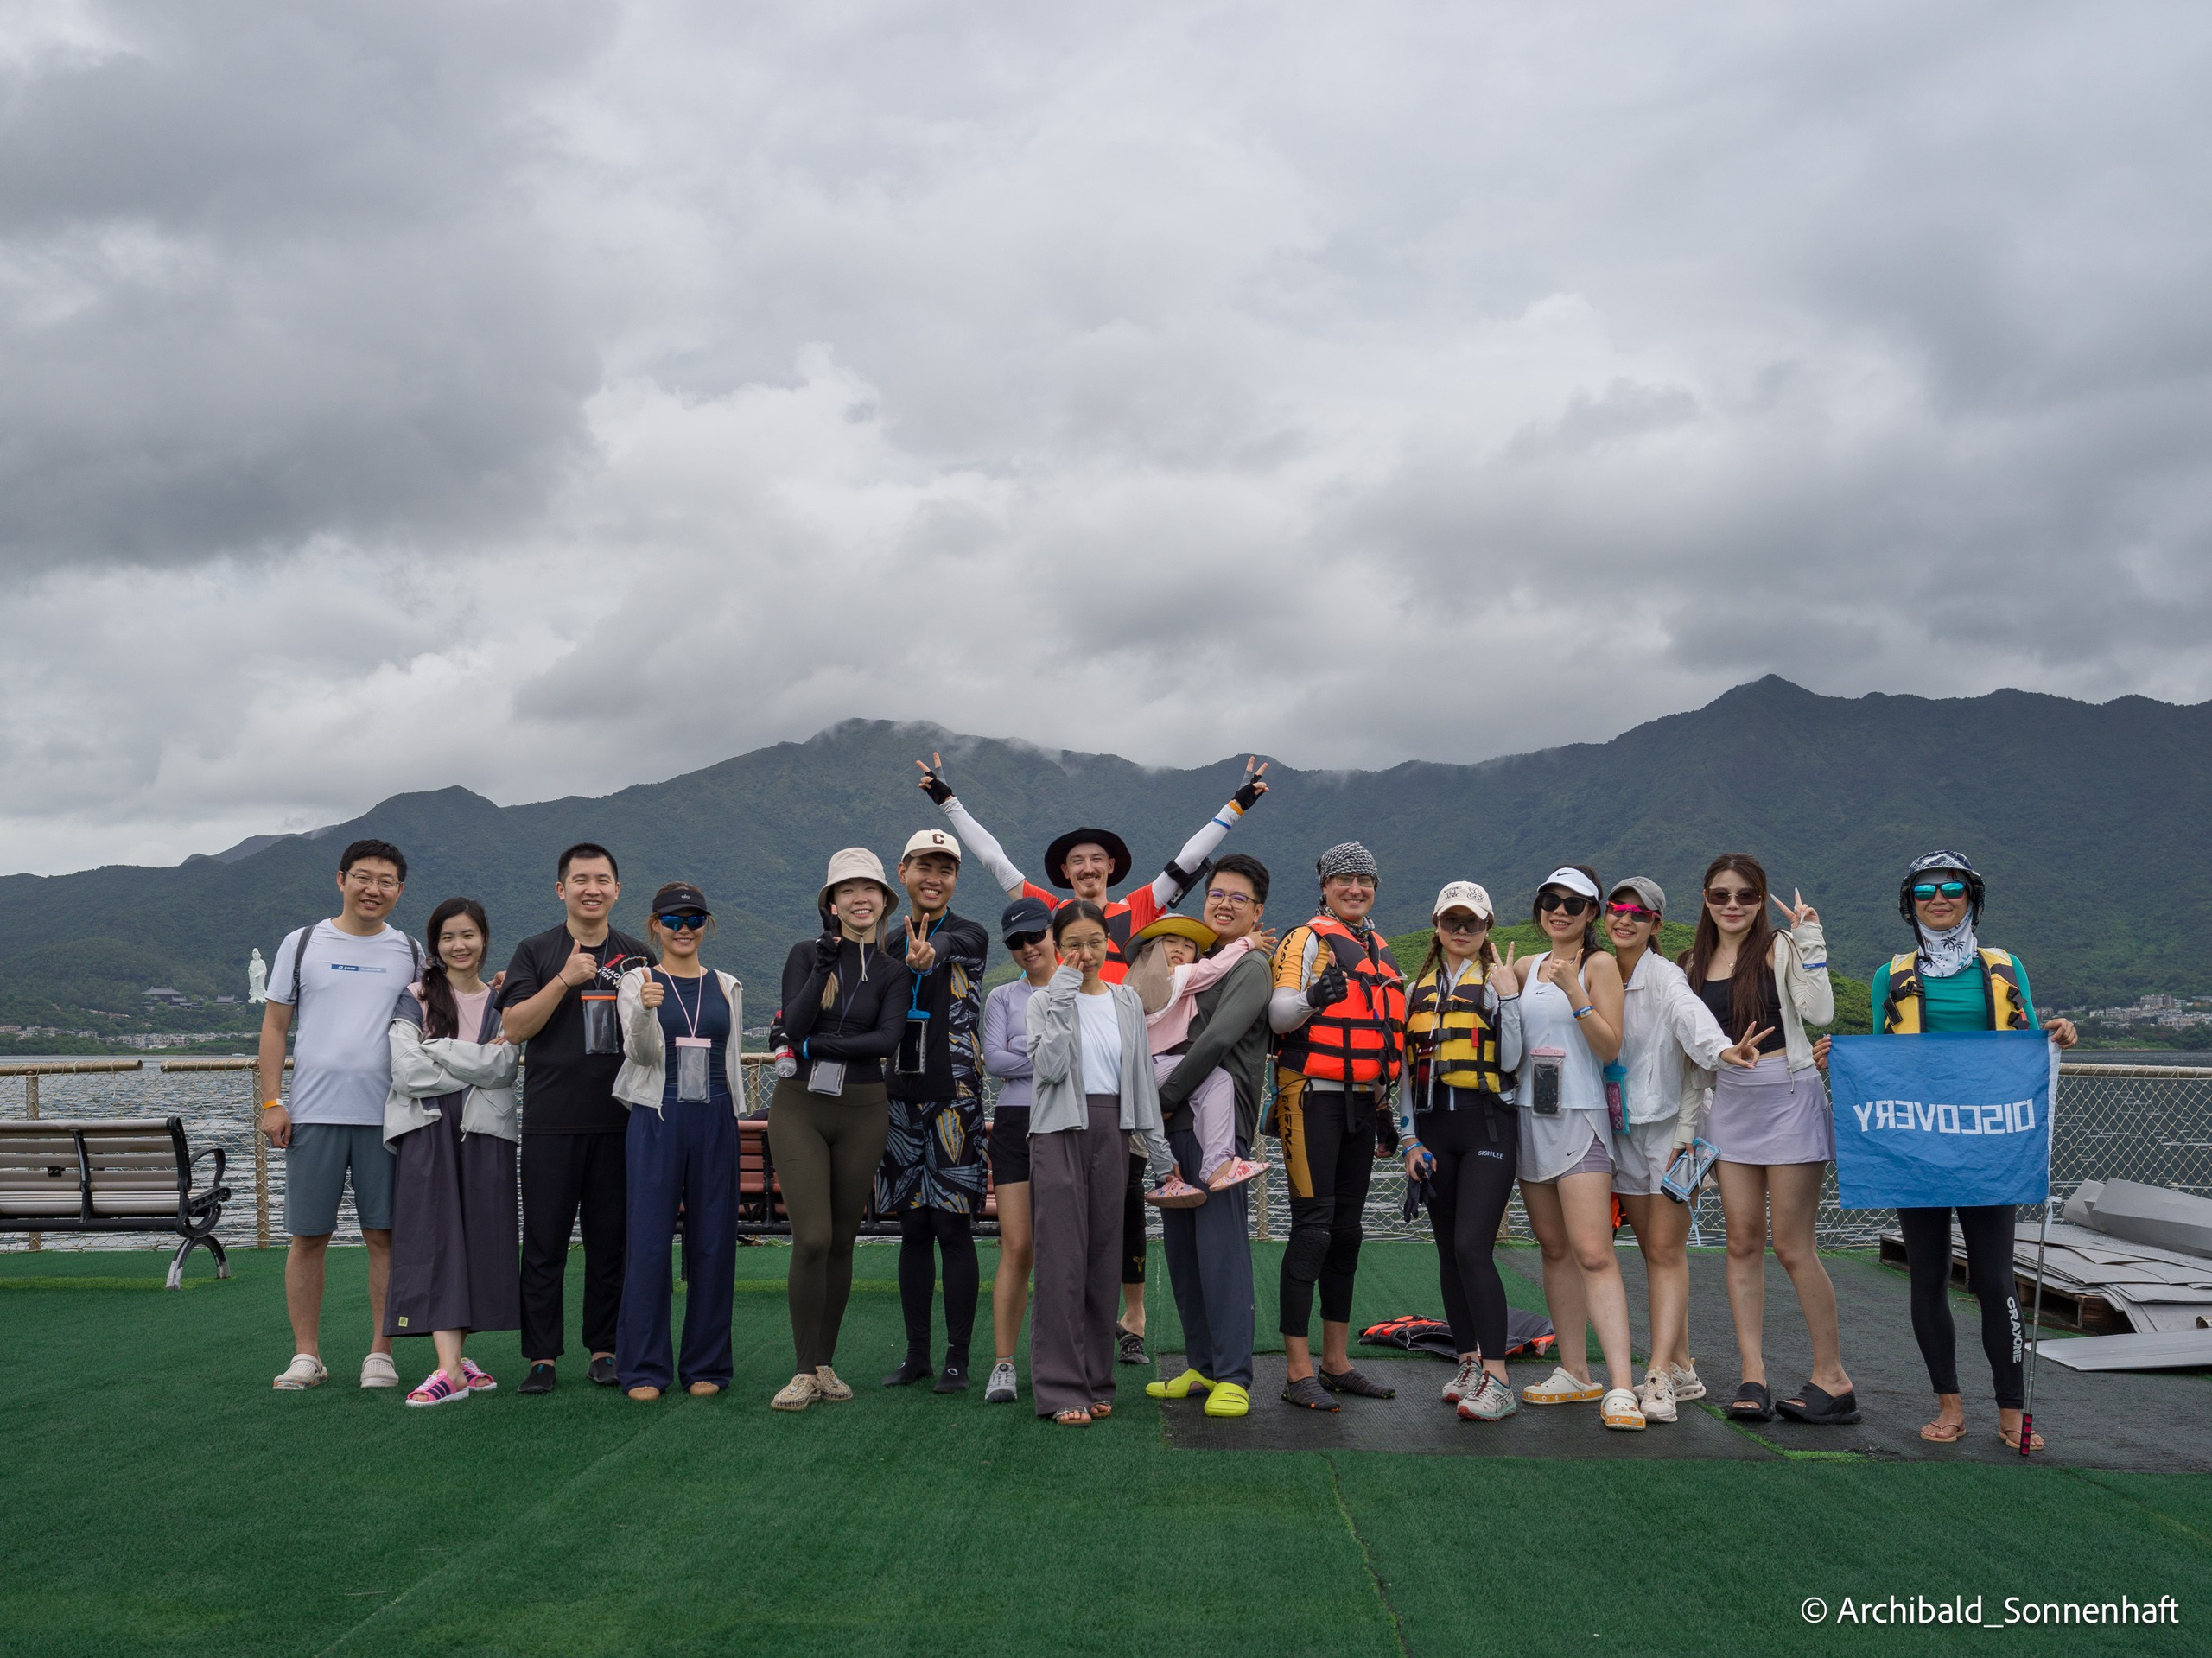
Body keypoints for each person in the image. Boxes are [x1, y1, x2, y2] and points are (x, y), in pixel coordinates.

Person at [917, 753, 1271, 1368]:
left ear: (1110, 867)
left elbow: (1187, 863)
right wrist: (948, 802)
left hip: (1121, 1086)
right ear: (1064, 871)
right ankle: (1069, 1343)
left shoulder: (1135, 912)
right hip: (1060, 1096)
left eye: (1096, 859)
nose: (1086, 868)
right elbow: (993, 859)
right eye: (1076, 861)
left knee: (1128, 1201)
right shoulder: (1051, 917)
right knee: (1068, 1222)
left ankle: (1129, 1317)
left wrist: (1235, 805)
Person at [1872, 850, 2078, 1452]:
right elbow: (1884, 1059)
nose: (1939, 898)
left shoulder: (2006, 967)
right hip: (1920, 1146)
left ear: (1972, 896)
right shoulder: (1892, 973)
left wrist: (2058, 1033)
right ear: (1910, 903)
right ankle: (1950, 1403)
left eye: (1953, 887)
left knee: (1994, 1279)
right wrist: (1844, 1058)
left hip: (1989, 1147)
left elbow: (2030, 1044)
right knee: (1928, 1276)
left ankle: (2012, 1409)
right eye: (1925, 890)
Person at [1679, 854, 1852, 1426]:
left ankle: (1833, 1376)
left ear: (1761, 899)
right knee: (1741, 1242)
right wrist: (1687, 1132)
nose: (1733, 905)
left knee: (1793, 1246)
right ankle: (1752, 1375)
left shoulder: (1782, 948)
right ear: (1705, 898)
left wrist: (1810, 933)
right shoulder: (1691, 966)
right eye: (1721, 894)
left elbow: (1821, 1011)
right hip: (1729, 1106)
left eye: (1746, 896)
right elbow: (1692, 1062)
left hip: (1789, 1098)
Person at [262, 838, 423, 1391]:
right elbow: (276, 1028)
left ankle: (382, 1352)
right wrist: (271, 1101)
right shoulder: (302, 942)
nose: (373, 888)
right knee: (308, 1236)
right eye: (363, 877)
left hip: (391, 1116)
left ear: (399, 890)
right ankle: (307, 1354)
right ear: (341, 880)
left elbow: (440, 1017)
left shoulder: (410, 950)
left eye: (385, 881)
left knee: (386, 1237)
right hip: (313, 1113)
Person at [1602, 877, 1761, 1424]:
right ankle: (1685, 1366)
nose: (1624, 919)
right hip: (1621, 1132)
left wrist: (1725, 1050)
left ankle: (1659, 1375)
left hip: (1678, 1138)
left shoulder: (1666, 978)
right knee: (1654, 1255)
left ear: (1655, 925)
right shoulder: (1595, 973)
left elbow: (1697, 1024)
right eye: (1616, 909)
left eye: (1638, 913)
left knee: (1668, 1255)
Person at [499, 844, 653, 1395]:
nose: (593, 888)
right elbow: (515, 1027)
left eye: (603, 879)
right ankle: (542, 1356)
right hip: (551, 1122)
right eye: (580, 879)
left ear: (617, 890)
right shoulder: (536, 951)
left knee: (611, 1242)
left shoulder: (637, 956)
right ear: (561, 889)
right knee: (544, 1243)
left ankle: (604, 1349)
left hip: (620, 1120)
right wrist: (564, 979)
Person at [766, 848, 911, 1411]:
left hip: (864, 1107)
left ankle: (824, 1362)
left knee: (844, 1239)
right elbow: (791, 1019)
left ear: (883, 901)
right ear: (831, 901)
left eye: (869, 889)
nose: (859, 898)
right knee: (814, 1237)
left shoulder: (894, 970)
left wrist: (812, 1045)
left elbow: (885, 1040)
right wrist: (824, 967)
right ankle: (802, 1369)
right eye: (847, 889)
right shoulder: (806, 954)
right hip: (800, 1104)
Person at [1025, 901, 1177, 1426]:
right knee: (1062, 1259)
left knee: (1103, 1260)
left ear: (1108, 944)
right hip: (1058, 1130)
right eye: (1073, 944)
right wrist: (1064, 992)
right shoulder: (1043, 1000)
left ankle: (1094, 1379)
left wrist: (1161, 1157)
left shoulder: (1126, 1001)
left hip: (1114, 1131)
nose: (1084, 954)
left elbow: (1139, 1078)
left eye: (1093, 943)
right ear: (1056, 946)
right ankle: (1060, 1387)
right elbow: (1045, 1067)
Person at [1268, 841, 1406, 1410]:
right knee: (1314, 1228)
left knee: (1347, 1232)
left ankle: (1336, 1361)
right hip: (1310, 1096)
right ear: (1324, 884)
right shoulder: (1305, 940)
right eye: (1344, 879)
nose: (1355, 888)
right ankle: (1297, 1369)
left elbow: (1378, 1039)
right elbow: (1278, 1014)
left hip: (1359, 1105)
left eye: (1365, 880)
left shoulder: (1379, 949)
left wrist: (1383, 1110)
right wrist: (1312, 999)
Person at [1510, 866, 1643, 1430]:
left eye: (1573, 902)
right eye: (1550, 900)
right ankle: (1573, 1369)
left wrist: (1577, 994)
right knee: (1553, 1247)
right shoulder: (1524, 966)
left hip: (1581, 1115)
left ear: (1592, 912)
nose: (1559, 910)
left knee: (1593, 1250)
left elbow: (1612, 1043)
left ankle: (1620, 1385)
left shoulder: (1599, 964)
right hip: (1528, 1115)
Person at [1145, 853, 1278, 1420]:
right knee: (1182, 1251)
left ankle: (1234, 1375)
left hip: (1216, 1128)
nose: (1223, 903)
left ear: (1258, 911)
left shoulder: (1250, 968)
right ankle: (1200, 1364)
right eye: (1215, 894)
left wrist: (1163, 1095)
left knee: (1220, 1251)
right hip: (1174, 1120)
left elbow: (1219, 1038)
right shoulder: (1206, 965)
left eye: (1237, 897)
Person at [382, 898, 521, 1407]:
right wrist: (471, 1060)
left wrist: (437, 1048)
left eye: (467, 935)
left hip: (486, 1131)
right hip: (428, 1130)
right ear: (435, 945)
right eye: (447, 938)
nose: (458, 946)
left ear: (484, 938)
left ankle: (458, 1359)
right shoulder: (415, 995)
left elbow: (504, 1066)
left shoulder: (505, 998)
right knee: (433, 1238)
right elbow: (406, 1072)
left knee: (481, 1238)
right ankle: (448, 1370)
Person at [1395, 881, 1524, 1424]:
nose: (1462, 930)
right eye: (1452, 921)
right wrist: (1409, 1140)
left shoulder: (1497, 984)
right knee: (1449, 1251)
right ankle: (1469, 1360)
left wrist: (1511, 996)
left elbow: (1513, 1058)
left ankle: (1499, 1378)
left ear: (1487, 927)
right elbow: (1402, 1073)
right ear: (1437, 925)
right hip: (1432, 1132)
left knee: (1473, 1247)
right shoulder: (1416, 988)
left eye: (1472, 922)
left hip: (1487, 1129)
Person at [611, 883, 744, 1403]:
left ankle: (707, 1363)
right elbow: (639, 1055)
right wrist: (645, 1010)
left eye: (694, 920)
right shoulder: (637, 980)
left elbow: (730, 1058)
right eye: (673, 920)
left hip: (714, 1116)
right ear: (654, 925)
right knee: (647, 1243)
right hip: (657, 1115)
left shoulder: (727, 984)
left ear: (706, 926)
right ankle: (643, 1367)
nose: (683, 929)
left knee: (714, 1241)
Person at [875, 829, 994, 1395]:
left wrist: (929, 950)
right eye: (924, 865)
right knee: (913, 1227)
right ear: (903, 871)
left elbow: (947, 950)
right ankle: (916, 1354)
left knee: (953, 1226)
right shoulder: (880, 943)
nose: (934, 877)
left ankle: (957, 1357)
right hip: (898, 1097)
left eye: (945, 868)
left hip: (955, 1097)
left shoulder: (970, 933)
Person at [1124, 915, 1268, 1193]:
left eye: (1189, 945)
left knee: (1161, 1123)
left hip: (1136, 1073)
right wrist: (1246, 942)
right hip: (1150, 1067)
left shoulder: (1135, 982)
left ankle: (1170, 1181)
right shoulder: (1175, 976)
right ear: (1152, 948)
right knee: (1217, 1080)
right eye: (1170, 941)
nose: (1179, 948)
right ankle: (1217, 1166)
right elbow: (1214, 969)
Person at [980, 897, 1058, 1404]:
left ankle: (1059, 1360)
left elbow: (1079, 1055)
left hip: (1066, 1122)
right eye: (1016, 942)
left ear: (1053, 933)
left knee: (1065, 1247)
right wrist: (1048, 1055)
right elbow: (993, 1060)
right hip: (1013, 1122)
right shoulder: (1002, 997)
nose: (1028, 947)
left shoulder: (1082, 991)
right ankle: (1003, 1364)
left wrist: (1025, 1053)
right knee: (1018, 1246)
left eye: (1035, 936)